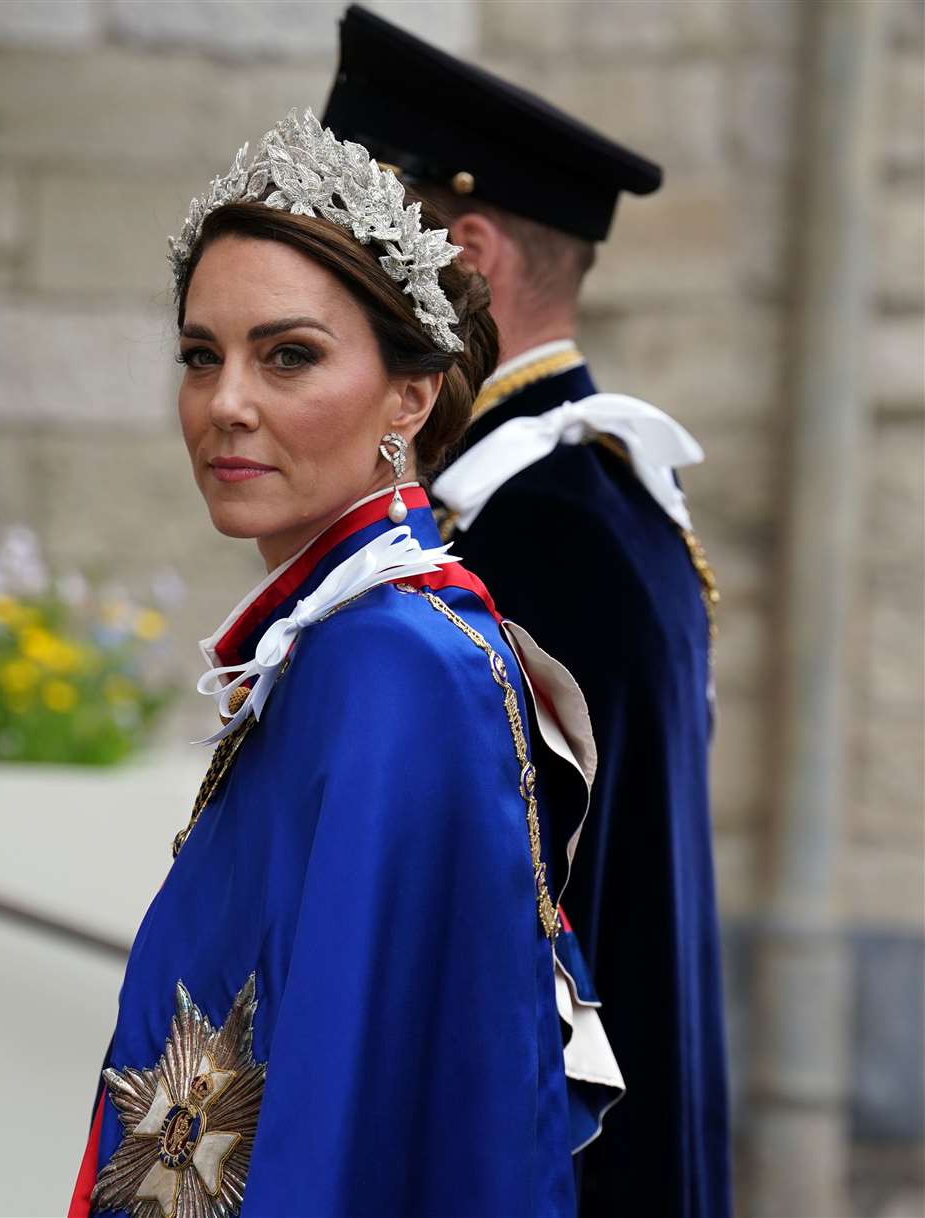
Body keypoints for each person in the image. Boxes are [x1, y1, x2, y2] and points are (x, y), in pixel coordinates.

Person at [68, 108, 624, 1218]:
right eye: (199, 356)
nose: (225, 404)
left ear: (410, 398)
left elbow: (352, 1103)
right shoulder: (339, 640)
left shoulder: (399, 666)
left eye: (289, 356)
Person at [324, 10, 732, 1218]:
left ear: (466, 253)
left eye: (353, 248)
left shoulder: (533, 529)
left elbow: (498, 947)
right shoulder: (574, 497)